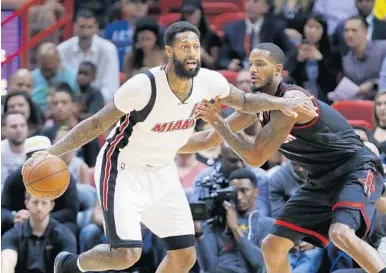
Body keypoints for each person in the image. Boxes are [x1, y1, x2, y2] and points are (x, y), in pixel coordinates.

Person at [29, 22, 316, 273]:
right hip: (123, 168)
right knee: (127, 255)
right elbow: (94, 124)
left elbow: (244, 101)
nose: (192, 52)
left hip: (163, 171)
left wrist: (280, 102)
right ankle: (70, 266)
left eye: (196, 46)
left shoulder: (209, 81)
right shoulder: (143, 86)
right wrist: (53, 152)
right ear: (169, 52)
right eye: (184, 46)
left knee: (184, 257)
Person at [194, 42, 386, 273]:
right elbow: (207, 140)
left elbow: (255, 157)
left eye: (260, 64)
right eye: (250, 64)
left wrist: (218, 121)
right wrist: (156, 143)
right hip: (321, 180)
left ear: (278, 70)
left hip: (356, 169)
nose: (253, 69)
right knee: (272, 245)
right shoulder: (260, 105)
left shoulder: (291, 100)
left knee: (340, 233)